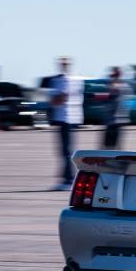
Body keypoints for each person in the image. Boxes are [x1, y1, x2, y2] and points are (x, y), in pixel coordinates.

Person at [49, 56, 84, 190]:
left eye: (62, 63)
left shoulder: (64, 80)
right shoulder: (77, 79)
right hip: (72, 117)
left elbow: (61, 97)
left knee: (65, 151)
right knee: (66, 150)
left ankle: (68, 180)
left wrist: (50, 101)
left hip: (65, 118)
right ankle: (66, 178)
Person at [103, 66, 131, 150]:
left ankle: (114, 157)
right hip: (113, 118)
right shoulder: (120, 84)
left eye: (115, 73)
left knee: (113, 142)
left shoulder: (121, 85)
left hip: (117, 119)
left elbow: (114, 90)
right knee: (110, 142)